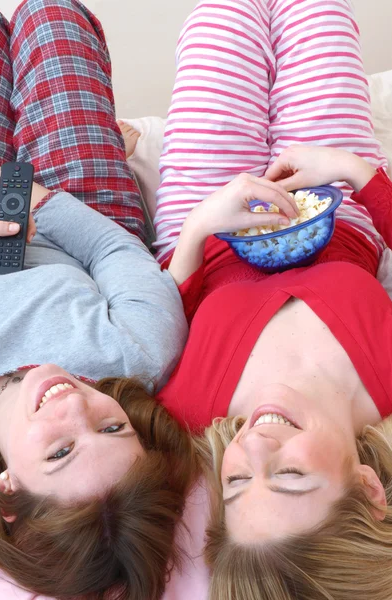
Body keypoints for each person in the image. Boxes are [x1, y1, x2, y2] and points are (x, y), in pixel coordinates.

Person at [152, 0, 392, 599]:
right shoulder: (386, 375)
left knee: (219, 18)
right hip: (335, 199)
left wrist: (200, 226)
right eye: (288, 474)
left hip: (208, 221)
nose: (253, 443)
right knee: (320, 13)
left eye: (234, 483)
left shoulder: (190, 413)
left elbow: (158, 316)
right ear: (368, 488)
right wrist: (352, 169)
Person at [0, 0, 189, 597]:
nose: (76, 407)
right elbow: (118, 253)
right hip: (73, 209)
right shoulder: (136, 357)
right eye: (112, 432)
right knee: (51, 15)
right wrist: (23, 192)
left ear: (8, 492)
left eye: (59, 452)